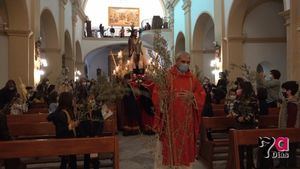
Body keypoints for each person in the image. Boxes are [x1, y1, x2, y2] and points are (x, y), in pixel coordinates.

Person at [152, 52, 206, 169]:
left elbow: (201, 94)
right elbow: (156, 94)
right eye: (183, 62)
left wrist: (193, 97)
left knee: (183, 153)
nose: (185, 64)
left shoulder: (193, 79)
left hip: (186, 124)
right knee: (168, 153)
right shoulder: (166, 76)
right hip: (170, 123)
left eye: (188, 62)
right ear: (176, 62)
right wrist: (163, 96)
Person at [47, 92, 78, 169]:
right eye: (72, 100)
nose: (73, 101)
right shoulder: (61, 113)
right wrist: (71, 126)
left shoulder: (68, 110)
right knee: (66, 161)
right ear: (67, 101)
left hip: (70, 140)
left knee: (69, 161)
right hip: (65, 141)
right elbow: (60, 130)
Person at [231, 81, 258, 169]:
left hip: (249, 125)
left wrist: (245, 118)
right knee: (240, 148)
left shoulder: (253, 98)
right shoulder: (238, 98)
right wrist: (237, 117)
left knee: (249, 147)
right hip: (239, 125)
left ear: (244, 89)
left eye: (240, 88)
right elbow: (233, 109)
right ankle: (240, 165)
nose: (238, 89)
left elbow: (254, 111)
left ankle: (250, 165)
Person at [276, 81, 299, 168]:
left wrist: (287, 132)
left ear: (289, 91)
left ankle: (285, 165)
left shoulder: (292, 103)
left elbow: (291, 120)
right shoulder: (288, 101)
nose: (283, 91)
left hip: (288, 131)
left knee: (290, 151)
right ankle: (282, 163)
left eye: (284, 89)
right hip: (285, 130)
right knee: (285, 150)